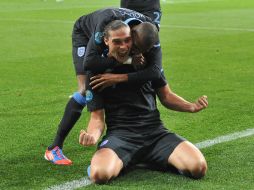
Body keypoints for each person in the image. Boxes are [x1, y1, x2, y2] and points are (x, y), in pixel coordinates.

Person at [79, 20, 208, 184]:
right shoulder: (96, 73)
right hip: (121, 137)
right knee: (100, 175)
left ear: (132, 38)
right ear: (106, 41)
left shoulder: (147, 63)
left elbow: (166, 96)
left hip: (155, 134)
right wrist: (92, 136)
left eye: (126, 40)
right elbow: (97, 118)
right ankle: (123, 159)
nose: (123, 47)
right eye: (117, 42)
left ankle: (141, 159)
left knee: (198, 167)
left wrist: (190, 106)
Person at [44, 8, 162, 165]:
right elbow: (90, 62)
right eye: (134, 48)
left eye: (138, 50)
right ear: (132, 34)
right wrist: (127, 60)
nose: (132, 51)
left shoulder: (150, 30)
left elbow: (154, 72)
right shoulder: (106, 24)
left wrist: (119, 76)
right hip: (84, 34)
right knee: (85, 89)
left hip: (115, 36)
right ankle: (54, 148)